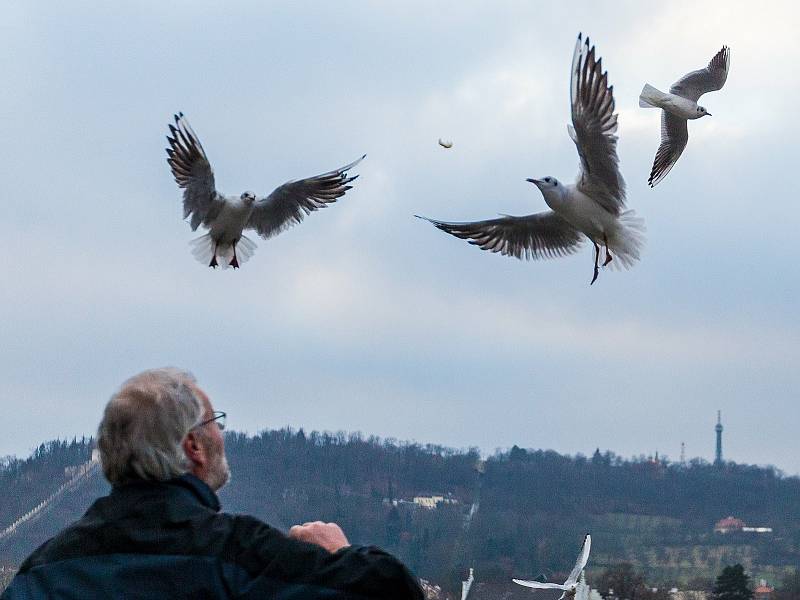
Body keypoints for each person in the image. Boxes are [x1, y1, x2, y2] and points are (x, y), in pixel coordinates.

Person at [2, 368, 424, 599]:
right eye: (214, 422)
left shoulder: (46, 571)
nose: (221, 434)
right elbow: (392, 591)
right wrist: (342, 554)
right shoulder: (236, 555)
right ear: (194, 447)